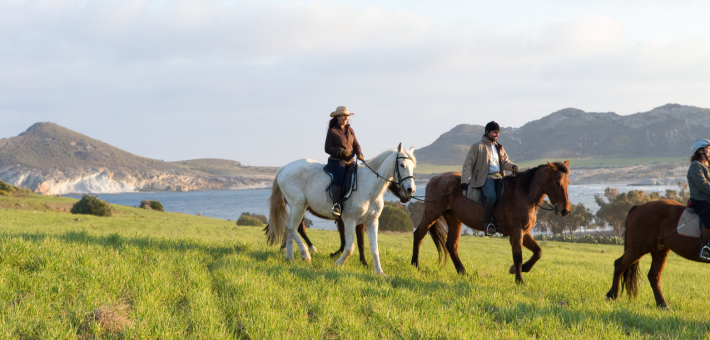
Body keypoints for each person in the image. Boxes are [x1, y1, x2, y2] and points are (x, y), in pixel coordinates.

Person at [460, 121, 519, 235]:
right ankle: (487, 223)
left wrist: (512, 166)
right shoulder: (477, 146)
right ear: (487, 132)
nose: (496, 134)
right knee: (491, 197)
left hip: (500, 177)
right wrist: (464, 180)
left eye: (498, 132)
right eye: (494, 132)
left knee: (509, 196)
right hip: (485, 178)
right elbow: (468, 163)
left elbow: (505, 162)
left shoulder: (499, 147)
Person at [324, 106, 364, 217]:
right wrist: (341, 151)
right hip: (337, 161)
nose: (347, 118)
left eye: (347, 116)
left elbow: (356, 144)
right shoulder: (332, 131)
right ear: (338, 117)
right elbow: (327, 148)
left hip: (350, 161)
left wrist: (359, 153)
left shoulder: (350, 130)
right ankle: (336, 205)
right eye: (344, 116)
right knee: (340, 180)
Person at [687, 139, 710, 260]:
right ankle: (706, 248)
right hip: (700, 200)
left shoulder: (707, 166)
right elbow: (703, 185)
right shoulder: (696, 166)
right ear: (700, 151)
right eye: (708, 149)